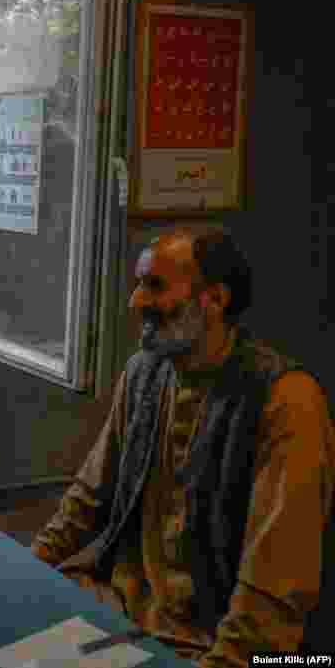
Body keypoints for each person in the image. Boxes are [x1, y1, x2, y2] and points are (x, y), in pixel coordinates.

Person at [30, 227, 335, 663]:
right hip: (117, 609)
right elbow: (89, 496)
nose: (136, 302)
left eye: (154, 286)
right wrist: (25, 569)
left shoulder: (287, 401)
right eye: (138, 285)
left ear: (214, 300)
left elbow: (273, 587)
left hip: (209, 642)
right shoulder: (143, 373)